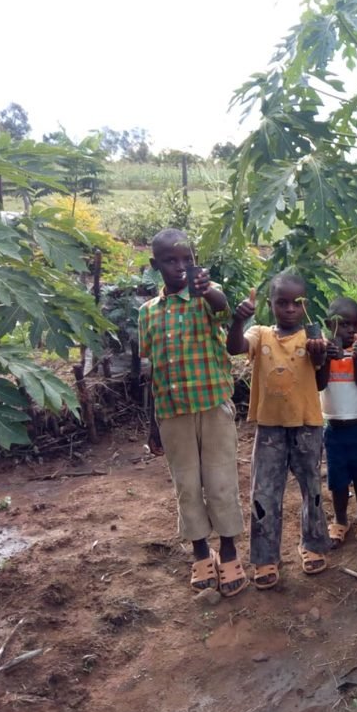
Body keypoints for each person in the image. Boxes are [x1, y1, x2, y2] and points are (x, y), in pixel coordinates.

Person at [138, 228, 247, 597]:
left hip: (213, 406)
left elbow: (224, 309)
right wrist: (153, 422)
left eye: (187, 259)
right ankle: (202, 551)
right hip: (173, 413)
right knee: (186, 485)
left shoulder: (205, 297)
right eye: (171, 260)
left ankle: (230, 550)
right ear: (156, 265)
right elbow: (152, 369)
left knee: (220, 482)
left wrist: (209, 290)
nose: (180, 267)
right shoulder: (148, 313)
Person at [227, 272, 331, 589]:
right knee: (263, 494)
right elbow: (235, 347)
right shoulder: (260, 333)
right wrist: (237, 321)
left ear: (305, 305)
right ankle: (265, 558)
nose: (289, 309)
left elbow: (322, 382)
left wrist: (321, 356)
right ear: (270, 305)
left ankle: (313, 545)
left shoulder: (314, 337)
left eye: (296, 304)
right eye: (281, 303)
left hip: (307, 427)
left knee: (311, 490)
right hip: (270, 430)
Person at [318, 297, 357, 548]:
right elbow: (319, 384)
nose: (351, 330)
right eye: (344, 325)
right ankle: (340, 518)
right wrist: (326, 358)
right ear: (329, 324)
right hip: (334, 428)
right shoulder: (321, 350)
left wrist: (356, 357)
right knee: (338, 478)